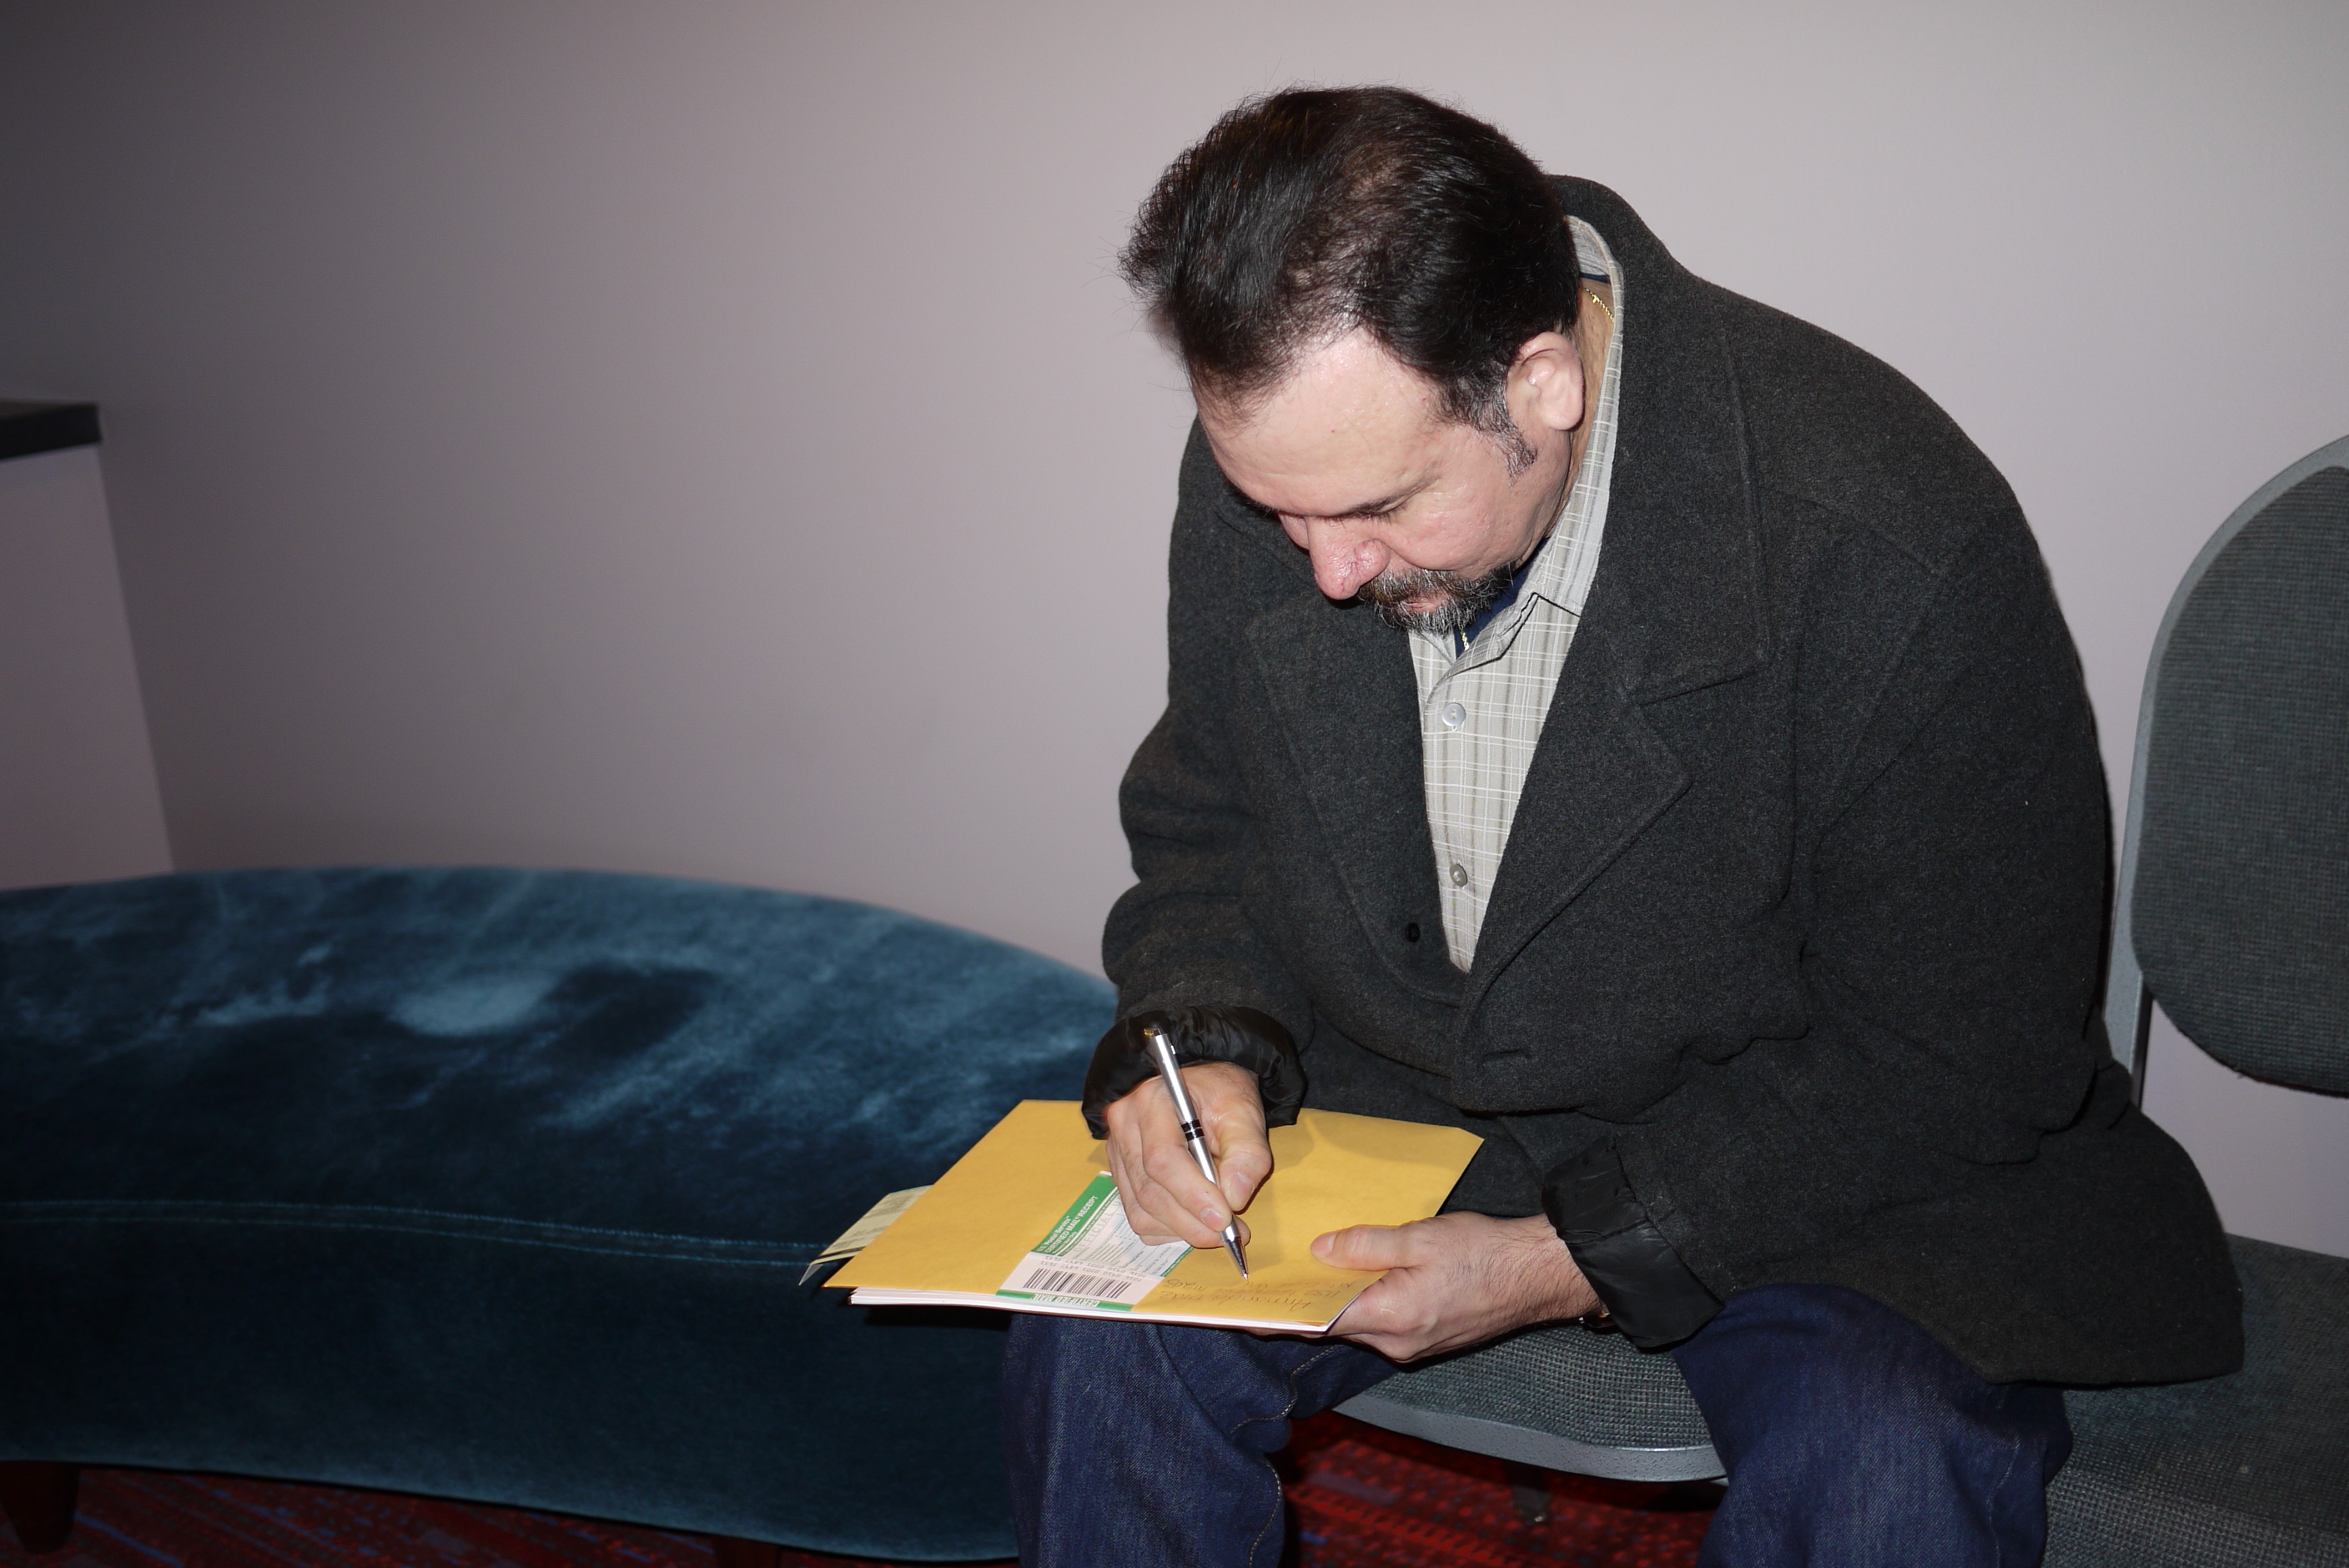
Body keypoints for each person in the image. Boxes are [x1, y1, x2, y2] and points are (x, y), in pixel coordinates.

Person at [1000, 87, 2241, 1568]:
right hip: (1409, 1103)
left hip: (1804, 1146)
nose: (1324, 573)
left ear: (1543, 385)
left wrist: (1572, 1258)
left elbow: (1964, 1051)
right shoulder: (1304, 467)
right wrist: (1198, 1036)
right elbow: (1209, 819)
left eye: (1379, 510)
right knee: (1097, 1349)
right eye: (1282, 515)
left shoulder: (1887, 537)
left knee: (1884, 1466)